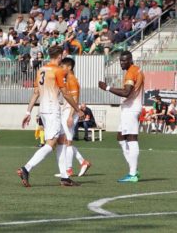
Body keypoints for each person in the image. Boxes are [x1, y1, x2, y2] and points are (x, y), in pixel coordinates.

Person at [17, 45, 85, 188]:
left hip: (44, 109)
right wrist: (77, 109)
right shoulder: (58, 71)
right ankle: (26, 168)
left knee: (62, 140)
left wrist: (28, 112)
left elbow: (36, 92)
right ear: (60, 56)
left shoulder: (41, 69)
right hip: (53, 110)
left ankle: (65, 177)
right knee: (51, 144)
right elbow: (66, 93)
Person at [98, 50, 144, 183]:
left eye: (124, 60)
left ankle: (133, 173)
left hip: (131, 108)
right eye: (120, 61)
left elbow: (126, 92)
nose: (121, 63)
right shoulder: (137, 70)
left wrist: (107, 88)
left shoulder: (131, 73)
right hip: (130, 108)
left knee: (131, 138)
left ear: (130, 60)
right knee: (120, 137)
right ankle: (133, 169)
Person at [58, 57, 91, 178]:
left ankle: (69, 169)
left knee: (68, 141)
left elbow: (75, 100)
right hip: (66, 111)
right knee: (65, 140)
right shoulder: (68, 79)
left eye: (63, 67)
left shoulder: (72, 80)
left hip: (69, 112)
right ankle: (82, 162)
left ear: (69, 67)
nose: (61, 69)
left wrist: (71, 116)